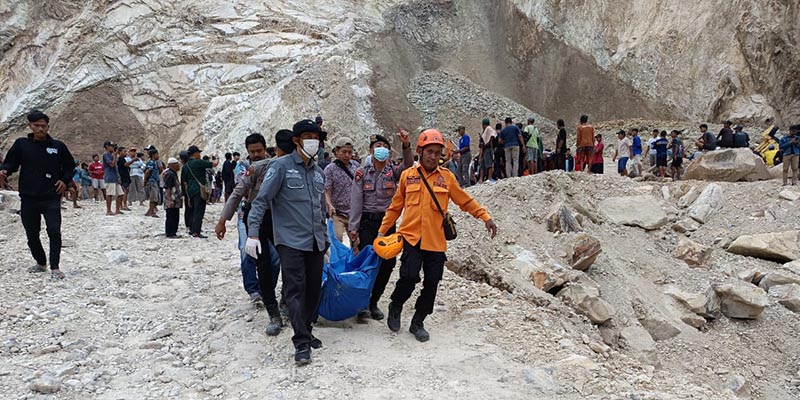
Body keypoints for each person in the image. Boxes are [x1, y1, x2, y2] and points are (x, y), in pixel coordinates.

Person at [379, 128, 497, 342]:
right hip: (411, 238)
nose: (433, 156)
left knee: (432, 282)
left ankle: (418, 321)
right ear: (420, 152)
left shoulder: (447, 178)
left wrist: (485, 217)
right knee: (409, 277)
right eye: (429, 151)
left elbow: (465, 201)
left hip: (435, 241)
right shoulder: (408, 176)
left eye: (437, 152)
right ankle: (396, 305)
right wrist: (382, 231)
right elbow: (395, 208)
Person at [246, 119, 327, 365]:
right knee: (295, 290)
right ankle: (301, 342)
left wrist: (326, 242)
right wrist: (252, 233)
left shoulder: (318, 172)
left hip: (315, 242)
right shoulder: (280, 167)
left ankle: (307, 328)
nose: (314, 141)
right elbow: (261, 201)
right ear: (296, 140)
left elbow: (320, 209)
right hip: (290, 241)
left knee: (314, 290)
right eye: (308, 136)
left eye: (317, 136)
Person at [217, 132, 291, 320]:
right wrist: (223, 220)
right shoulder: (252, 170)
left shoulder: (280, 166)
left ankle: (284, 300)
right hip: (255, 218)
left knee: (287, 261)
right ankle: (269, 306)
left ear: (266, 148)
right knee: (261, 261)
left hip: (279, 217)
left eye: (259, 150)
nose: (256, 154)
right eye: (252, 152)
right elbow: (237, 194)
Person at [0, 110, 74, 280]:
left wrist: (64, 180)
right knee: (32, 234)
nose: (41, 129)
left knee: (54, 231)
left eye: (44, 126)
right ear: (30, 126)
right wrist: (4, 170)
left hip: (51, 197)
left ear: (48, 127)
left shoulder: (58, 146)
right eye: (37, 126)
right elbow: (11, 163)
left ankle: (55, 267)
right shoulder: (21, 144)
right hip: (28, 197)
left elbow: (69, 167)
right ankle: (41, 262)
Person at [348, 131, 413, 320]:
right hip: (367, 223)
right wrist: (353, 228)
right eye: (377, 147)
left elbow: (409, 166)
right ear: (370, 150)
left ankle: (373, 301)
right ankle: (361, 304)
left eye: (384, 147)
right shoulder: (361, 172)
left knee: (387, 263)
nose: (381, 150)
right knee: (367, 263)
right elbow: (356, 200)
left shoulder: (393, 171)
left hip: (387, 223)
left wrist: (406, 146)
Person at [324, 136, 359, 242]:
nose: (347, 155)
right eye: (344, 152)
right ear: (336, 152)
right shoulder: (330, 169)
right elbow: (327, 190)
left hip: (353, 213)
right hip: (337, 213)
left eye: (350, 152)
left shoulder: (356, 166)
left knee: (357, 242)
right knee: (336, 239)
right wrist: (329, 205)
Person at [184, 145, 219, 238]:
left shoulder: (185, 166)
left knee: (192, 210)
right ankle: (196, 231)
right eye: (199, 152)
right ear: (195, 153)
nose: (200, 154)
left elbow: (185, 182)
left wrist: (187, 195)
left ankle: (191, 229)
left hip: (190, 191)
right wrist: (216, 158)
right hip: (199, 190)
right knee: (199, 211)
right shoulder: (198, 163)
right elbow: (214, 164)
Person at [102, 141, 124, 215]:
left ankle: (117, 210)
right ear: (107, 147)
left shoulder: (111, 155)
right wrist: (115, 156)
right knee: (110, 194)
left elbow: (115, 167)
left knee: (120, 194)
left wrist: (118, 177)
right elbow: (111, 165)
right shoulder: (106, 155)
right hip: (109, 176)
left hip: (114, 176)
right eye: (111, 146)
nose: (113, 148)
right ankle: (108, 211)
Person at [163, 158, 183, 238]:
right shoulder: (170, 174)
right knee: (171, 216)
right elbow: (168, 188)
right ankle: (170, 233)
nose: (178, 166)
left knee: (174, 215)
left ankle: (172, 232)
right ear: (171, 165)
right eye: (176, 164)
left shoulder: (172, 173)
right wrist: (170, 200)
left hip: (175, 199)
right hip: (172, 198)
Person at [143, 148, 163, 217]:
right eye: (157, 154)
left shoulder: (152, 162)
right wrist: (145, 181)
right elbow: (147, 172)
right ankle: (151, 212)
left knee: (155, 197)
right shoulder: (151, 162)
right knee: (154, 197)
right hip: (152, 181)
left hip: (154, 181)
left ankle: (149, 211)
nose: (158, 156)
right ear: (154, 155)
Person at [478, 118, 496, 183]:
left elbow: (492, 136)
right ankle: (481, 179)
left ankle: (489, 178)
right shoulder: (485, 131)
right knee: (482, 165)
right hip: (484, 149)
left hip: (487, 149)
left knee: (489, 164)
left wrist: (488, 143)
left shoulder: (488, 129)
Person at [116, 146, 132, 211]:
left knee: (123, 191)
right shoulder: (121, 158)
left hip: (124, 176)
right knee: (125, 191)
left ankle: (121, 206)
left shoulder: (121, 159)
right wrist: (133, 160)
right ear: (120, 152)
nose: (126, 153)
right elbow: (126, 165)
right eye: (124, 151)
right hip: (124, 177)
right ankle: (124, 205)